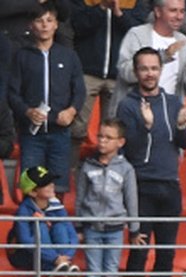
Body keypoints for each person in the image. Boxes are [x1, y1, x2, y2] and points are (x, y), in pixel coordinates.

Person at [116, 47, 186, 277]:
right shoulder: (127, 105)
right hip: (141, 186)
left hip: (170, 185)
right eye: (144, 68)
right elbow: (130, 149)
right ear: (136, 72)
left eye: (154, 68)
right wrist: (146, 126)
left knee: (166, 252)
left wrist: (182, 127)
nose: (149, 74)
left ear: (160, 70)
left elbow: (184, 143)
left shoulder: (172, 102)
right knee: (139, 250)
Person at [7, 2, 86, 195]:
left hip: (60, 133)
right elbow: (12, 93)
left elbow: (80, 91)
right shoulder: (21, 56)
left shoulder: (68, 56)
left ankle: (56, 225)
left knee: (58, 187)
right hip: (31, 134)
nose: (44, 25)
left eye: (49, 20)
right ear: (30, 25)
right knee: (30, 186)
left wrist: (71, 111)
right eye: (39, 20)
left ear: (56, 25)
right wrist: (27, 111)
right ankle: (32, 223)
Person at [70, 0, 149, 159]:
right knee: (76, 129)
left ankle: (110, 175)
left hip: (119, 74)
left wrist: (119, 13)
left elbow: (138, 32)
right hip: (87, 70)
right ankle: (69, 176)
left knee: (114, 132)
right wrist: (101, 8)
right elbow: (77, 25)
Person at [75, 118, 140, 277]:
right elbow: (80, 198)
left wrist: (134, 230)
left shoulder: (126, 169)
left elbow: (131, 200)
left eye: (108, 138)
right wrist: (79, 226)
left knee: (111, 271)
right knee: (93, 273)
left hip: (115, 229)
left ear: (120, 142)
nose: (102, 141)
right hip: (91, 227)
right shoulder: (87, 166)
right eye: (100, 136)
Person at [112, 0, 186, 115]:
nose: (179, 16)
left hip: (167, 117)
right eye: (173, 11)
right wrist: (163, 56)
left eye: (182, 11)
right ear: (157, 11)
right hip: (133, 114)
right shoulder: (137, 35)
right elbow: (125, 73)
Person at [10, 165, 78, 272]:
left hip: (58, 258)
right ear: (33, 192)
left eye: (51, 181)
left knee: (60, 227)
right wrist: (54, 258)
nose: (51, 185)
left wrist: (66, 257)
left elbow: (72, 235)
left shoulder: (57, 205)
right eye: (45, 184)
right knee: (40, 226)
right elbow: (26, 241)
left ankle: (63, 266)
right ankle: (51, 268)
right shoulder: (23, 210)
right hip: (25, 256)